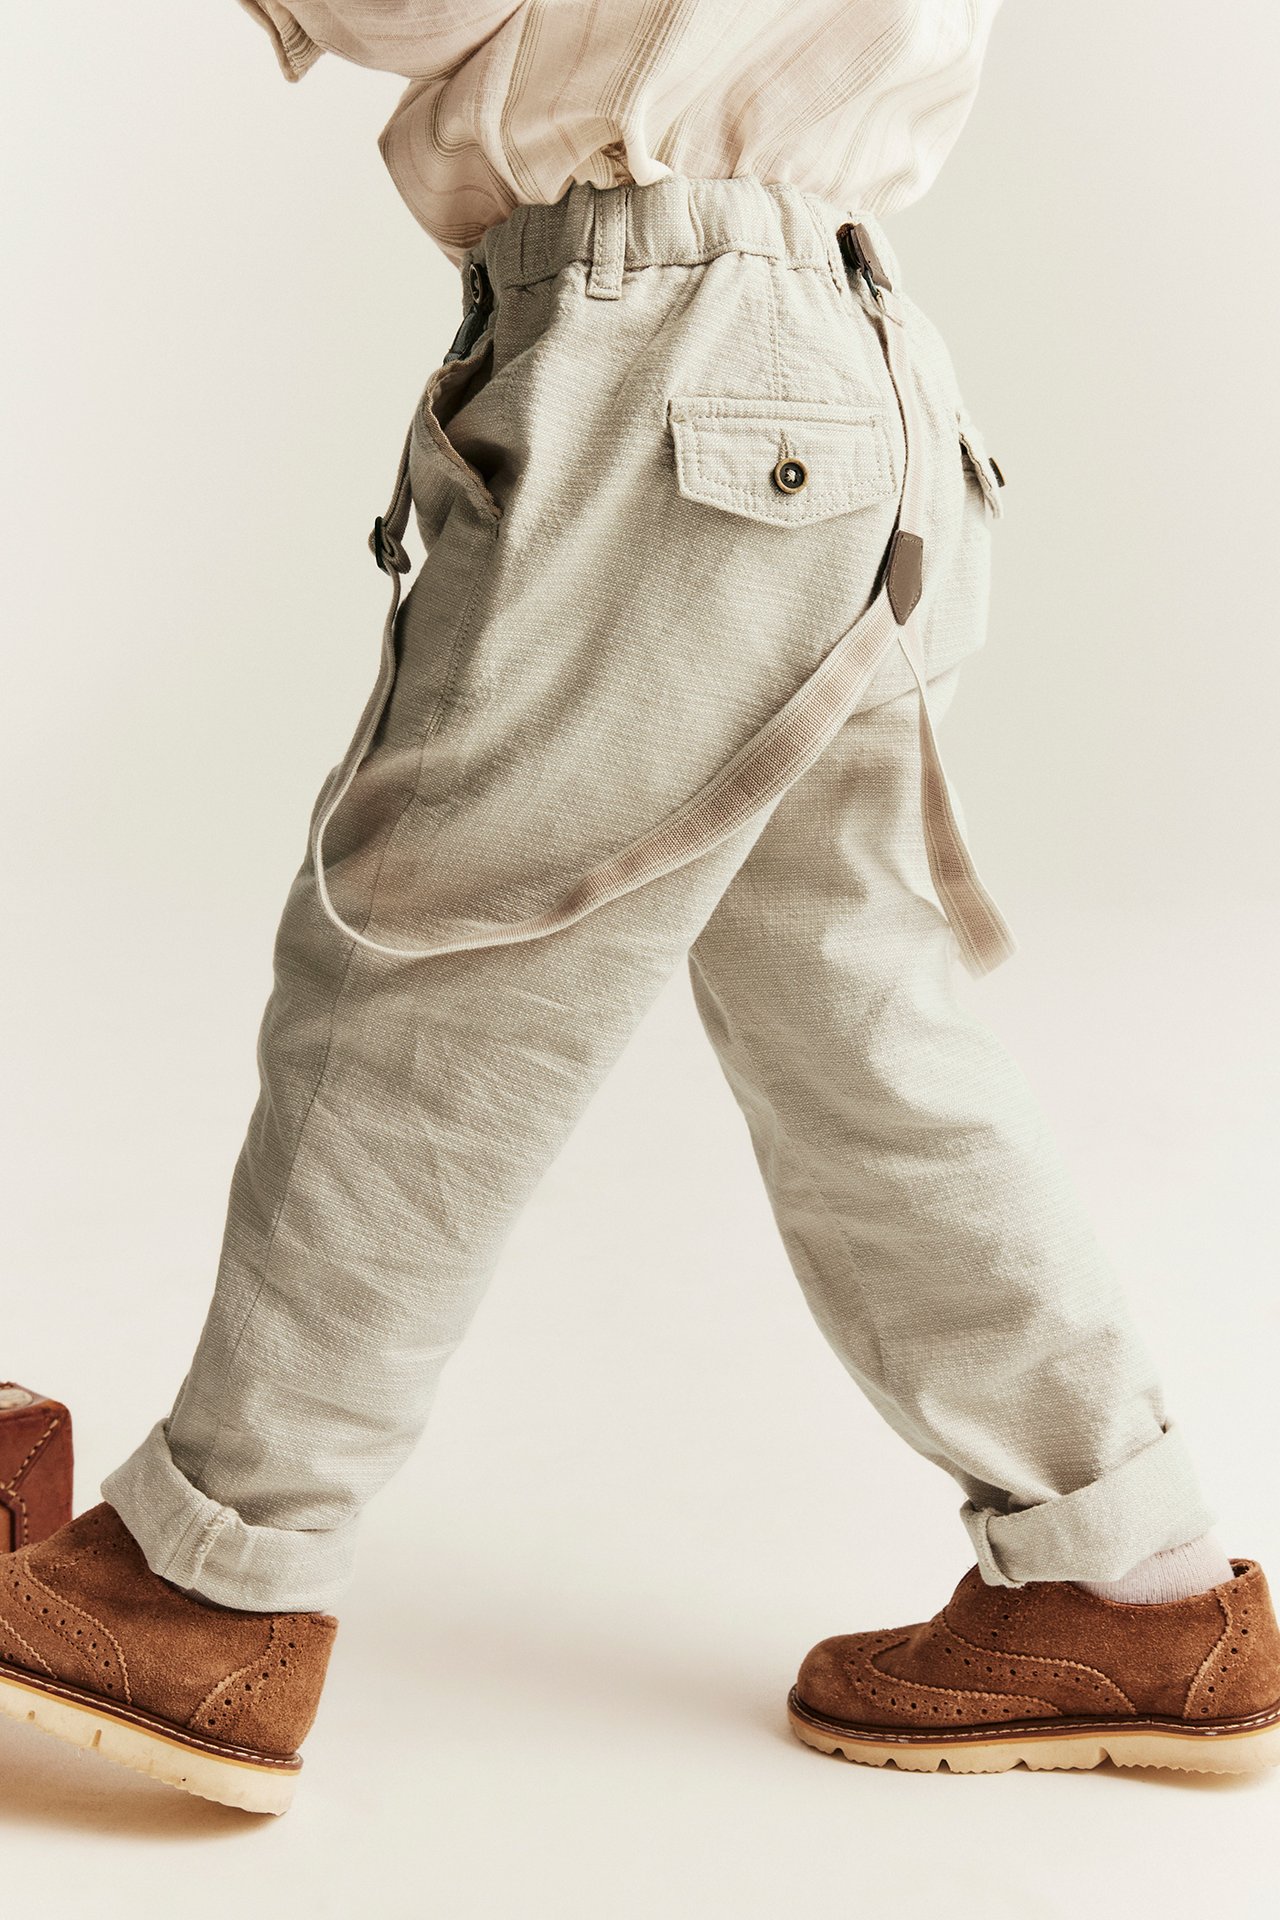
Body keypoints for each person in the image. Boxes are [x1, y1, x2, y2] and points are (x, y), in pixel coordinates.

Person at [2, 1, 1277, 1814]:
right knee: (858, 1032)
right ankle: (1126, 1574)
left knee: (431, 970)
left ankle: (212, 1583)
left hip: (675, 356)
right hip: (847, 367)